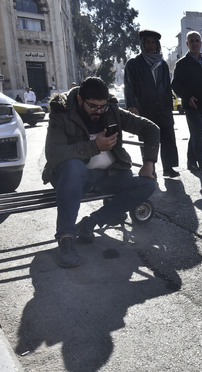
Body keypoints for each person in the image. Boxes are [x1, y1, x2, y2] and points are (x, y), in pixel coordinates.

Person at [42, 77, 160, 268]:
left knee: (147, 184)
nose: (98, 111)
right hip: (74, 179)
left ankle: (91, 222)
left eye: (102, 106)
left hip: (110, 176)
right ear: (80, 100)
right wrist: (94, 146)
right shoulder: (61, 112)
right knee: (73, 166)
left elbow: (151, 128)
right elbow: (53, 153)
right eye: (93, 106)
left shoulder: (111, 110)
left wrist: (149, 162)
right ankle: (66, 238)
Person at [125, 29, 180, 178]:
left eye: (153, 42)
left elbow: (167, 87)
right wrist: (131, 105)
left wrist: (170, 106)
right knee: (148, 139)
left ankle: (169, 168)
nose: (150, 45)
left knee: (168, 137)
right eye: (148, 42)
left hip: (163, 108)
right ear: (142, 44)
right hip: (145, 108)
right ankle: (151, 170)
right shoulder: (134, 64)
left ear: (157, 44)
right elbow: (129, 86)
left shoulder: (162, 64)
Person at [172, 31, 202, 172]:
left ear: (201, 43)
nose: (194, 43)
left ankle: (191, 162)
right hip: (191, 107)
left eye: (197, 40)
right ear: (187, 44)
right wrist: (187, 98)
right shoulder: (181, 64)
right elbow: (175, 85)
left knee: (196, 134)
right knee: (198, 132)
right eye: (191, 41)